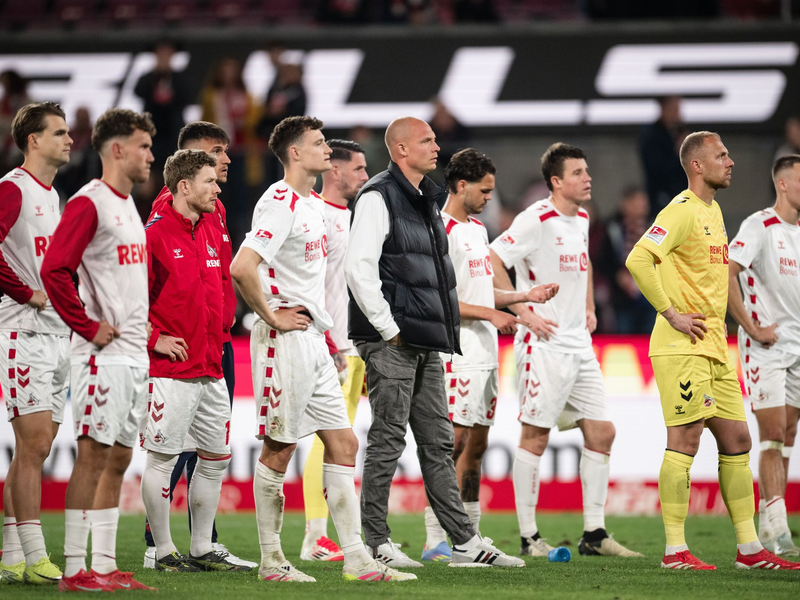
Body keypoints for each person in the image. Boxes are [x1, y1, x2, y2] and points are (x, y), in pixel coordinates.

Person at [231, 115, 415, 582]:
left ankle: (356, 559)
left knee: (344, 441)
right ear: (295, 153)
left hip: (315, 341)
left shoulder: (313, 204)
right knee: (280, 447)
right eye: (317, 143)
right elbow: (243, 266)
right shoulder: (279, 200)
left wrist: (331, 339)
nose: (326, 151)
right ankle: (273, 562)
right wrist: (271, 315)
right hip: (284, 339)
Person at [345, 116, 524, 568]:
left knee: (439, 441)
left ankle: (463, 542)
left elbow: (438, 278)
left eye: (435, 139)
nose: (436, 146)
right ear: (401, 150)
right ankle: (376, 542)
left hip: (423, 338)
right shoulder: (377, 195)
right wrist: (389, 329)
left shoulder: (428, 198)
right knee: (387, 439)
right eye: (426, 140)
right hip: (392, 339)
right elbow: (358, 268)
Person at [625, 130, 800, 570]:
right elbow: (638, 259)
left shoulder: (714, 210)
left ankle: (748, 550)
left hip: (715, 348)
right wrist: (671, 313)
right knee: (685, 439)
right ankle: (673, 551)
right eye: (721, 155)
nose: (731, 161)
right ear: (697, 165)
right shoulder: (681, 210)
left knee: (738, 439)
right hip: (681, 347)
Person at [490, 142, 642, 559]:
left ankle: (594, 534)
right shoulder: (535, 219)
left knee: (602, 432)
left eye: (587, 171)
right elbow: (493, 258)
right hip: (544, 344)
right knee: (535, 436)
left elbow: (585, 262)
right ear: (556, 182)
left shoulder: (582, 219)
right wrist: (523, 311)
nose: (587, 177)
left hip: (580, 343)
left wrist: (590, 304)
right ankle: (528, 538)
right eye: (577, 172)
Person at [421, 148, 558, 563]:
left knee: (476, 447)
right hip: (455, 352)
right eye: (484, 190)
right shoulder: (438, 230)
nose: (488, 198)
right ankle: (435, 541)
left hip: (485, 351)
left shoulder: (478, 230)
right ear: (461, 186)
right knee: (451, 444)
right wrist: (492, 314)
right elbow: (440, 301)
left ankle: (471, 535)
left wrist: (521, 297)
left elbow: (481, 291)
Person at [40, 108, 157, 591]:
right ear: (116, 149)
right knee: (91, 457)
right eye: (144, 147)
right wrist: (86, 326)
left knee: (119, 458)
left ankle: (105, 566)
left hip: (133, 355)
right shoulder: (89, 203)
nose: (151, 155)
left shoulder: (127, 203)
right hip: (100, 357)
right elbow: (54, 270)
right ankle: (73, 570)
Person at [141, 121, 254, 571]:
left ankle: (203, 546)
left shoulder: (212, 220)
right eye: (210, 177)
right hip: (172, 367)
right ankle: (161, 551)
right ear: (185, 184)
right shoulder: (155, 232)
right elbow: (129, 300)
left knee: (214, 456)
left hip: (212, 357)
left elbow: (222, 279)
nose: (219, 183)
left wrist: (226, 324)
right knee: (164, 456)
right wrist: (155, 338)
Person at [0, 102, 72, 586]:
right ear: (34, 141)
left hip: (56, 335)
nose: (69, 140)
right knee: (35, 442)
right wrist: (27, 293)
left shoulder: (54, 195)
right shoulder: (12, 188)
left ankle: (9, 556)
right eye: (60, 133)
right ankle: (35, 557)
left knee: (37, 449)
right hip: (20, 331)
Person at [300, 139, 370, 562]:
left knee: (338, 443)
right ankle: (314, 538)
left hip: (352, 347)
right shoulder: (315, 215)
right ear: (336, 172)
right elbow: (309, 285)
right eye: (358, 169)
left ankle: (330, 535)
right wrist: (330, 344)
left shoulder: (350, 216)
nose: (365, 176)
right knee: (326, 442)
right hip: (331, 348)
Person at [727, 154, 800, 556]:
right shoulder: (760, 225)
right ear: (784, 184)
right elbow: (726, 274)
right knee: (772, 434)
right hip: (766, 349)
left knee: (787, 435)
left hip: (798, 349)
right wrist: (750, 328)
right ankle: (778, 527)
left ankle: (770, 520)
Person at [639, 96, 686, 219]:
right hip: (661, 196)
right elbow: (658, 168)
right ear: (664, 109)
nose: (678, 114)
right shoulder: (652, 135)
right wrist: (678, 151)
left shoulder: (678, 131)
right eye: (675, 109)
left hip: (682, 196)